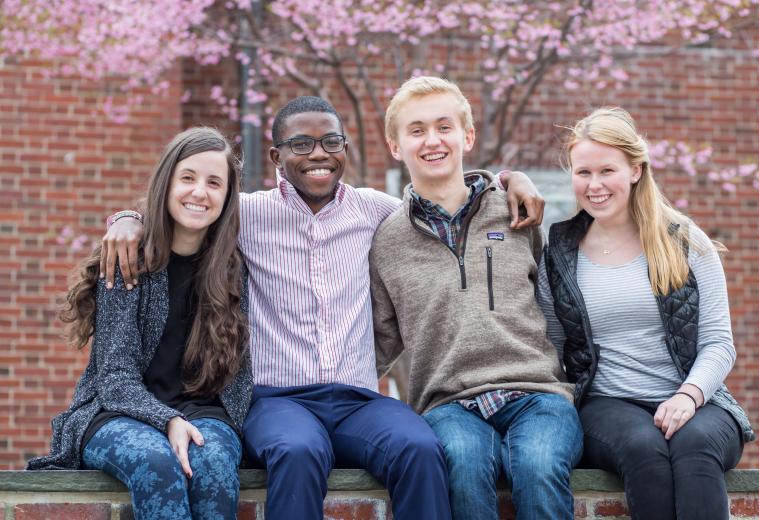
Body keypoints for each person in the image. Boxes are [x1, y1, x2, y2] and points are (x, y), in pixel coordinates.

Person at [99, 96, 545, 519]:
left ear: (345, 150)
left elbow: (445, 200)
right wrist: (127, 219)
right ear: (276, 157)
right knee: (297, 452)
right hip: (277, 400)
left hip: (358, 400)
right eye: (301, 144)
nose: (319, 154)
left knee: (420, 448)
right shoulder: (245, 215)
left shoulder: (378, 212)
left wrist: (506, 180)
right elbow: (189, 204)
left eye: (331, 142)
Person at [370, 76, 583, 520]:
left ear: (467, 136)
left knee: (537, 465)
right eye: (417, 130)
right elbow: (377, 341)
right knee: (463, 469)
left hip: (538, 393)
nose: (433, 140)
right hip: (447, 404)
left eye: (444, 127)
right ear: (395, 147)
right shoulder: (387, 240)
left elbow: (555, 307)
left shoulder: (516, 210)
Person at [537, 107, 753, 520]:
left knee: (695, 448)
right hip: (606, 404)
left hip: (697, 398)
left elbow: (718, 344)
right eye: (583, 173)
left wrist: (688, 396)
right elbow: (552, 347)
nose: (595, 185)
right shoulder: (560, 254)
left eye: (607, 171)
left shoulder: (685, 240)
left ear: (636, 170)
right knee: (644, 449)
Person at [27, 127, 253, 520]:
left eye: (214, 183)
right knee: (156, 462)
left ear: (227, 197)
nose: (199, 192)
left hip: (206, 412)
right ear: (166, 183)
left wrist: (190, 422)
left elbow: (237, 374)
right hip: (114, 414)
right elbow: (113, 376)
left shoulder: (233, 270)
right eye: (188, 178)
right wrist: (167, 421)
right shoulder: (128, 259)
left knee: (214, 464)